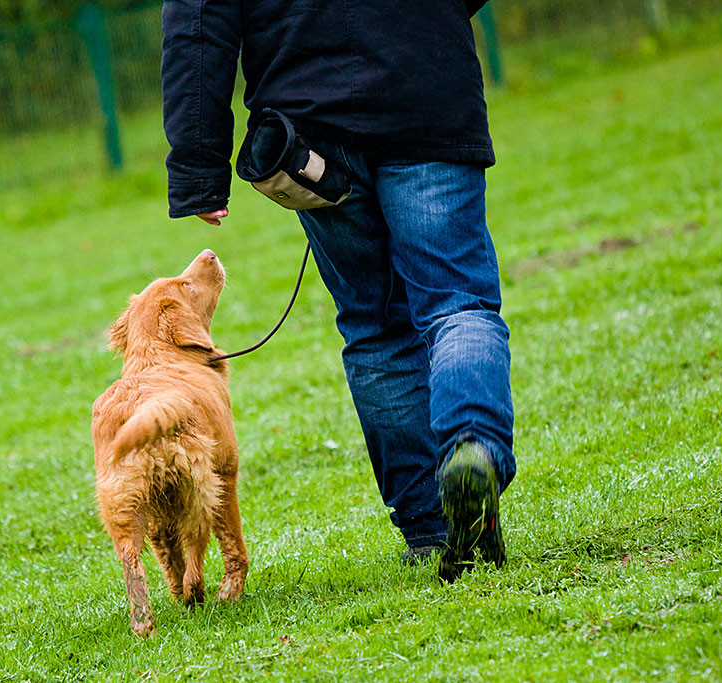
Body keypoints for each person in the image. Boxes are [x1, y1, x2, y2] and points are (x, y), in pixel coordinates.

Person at [161, 0, 514, 581]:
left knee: (376, 329)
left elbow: (198, 22)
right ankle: (472, 445)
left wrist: (199, 166)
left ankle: (429, 528)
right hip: (426, 88)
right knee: (458, 303)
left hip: (311, 127)